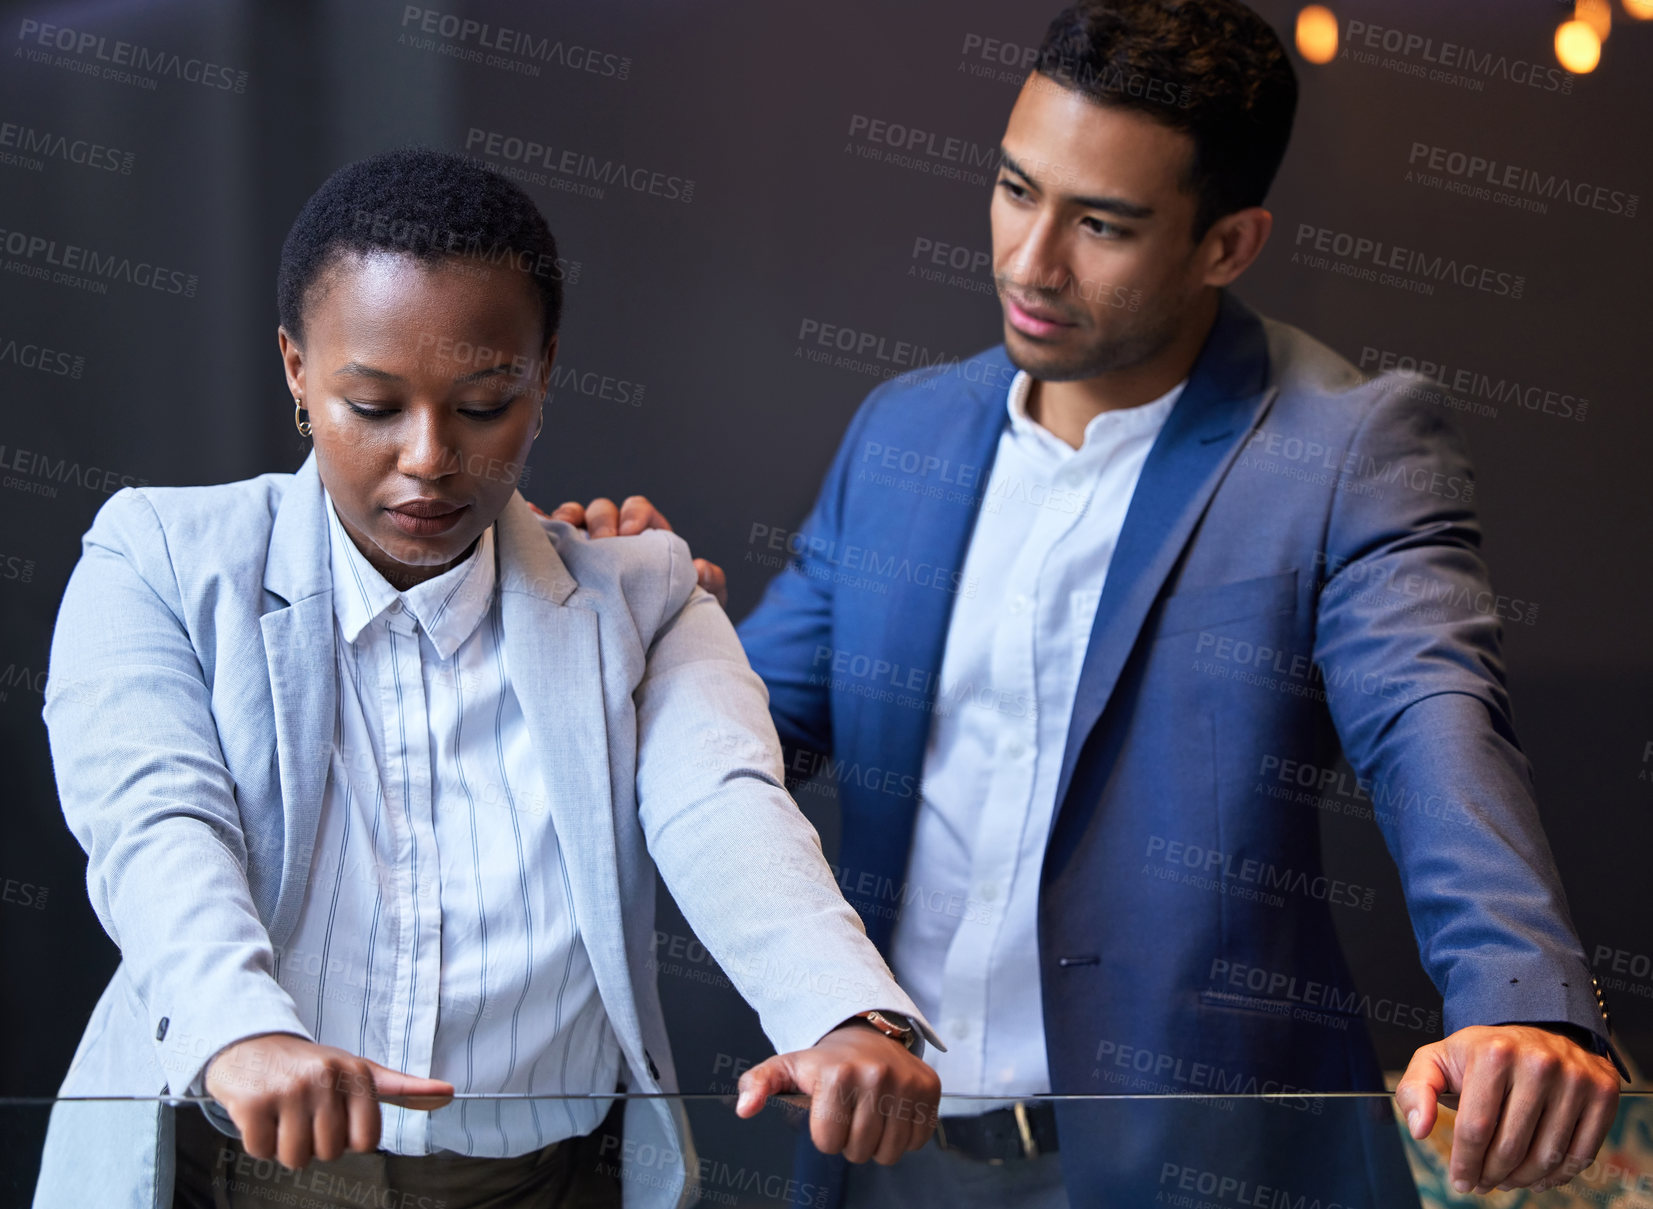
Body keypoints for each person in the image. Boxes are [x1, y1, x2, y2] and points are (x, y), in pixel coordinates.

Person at [548, 2, 1626, 1206]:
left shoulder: (1343, 447)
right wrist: (621, 629)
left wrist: (1525, 1005)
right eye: (1016, 190)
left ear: (1227, 244)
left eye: (1100, 225)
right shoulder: (904, 432)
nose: (1028, 260)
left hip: (1207, 1177)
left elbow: (1436, 723)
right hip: (889, 1168)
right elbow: (746, 737)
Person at [32, 148, 943, 1209]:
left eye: (483, 404)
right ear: (295, 369)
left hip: (541, 1187)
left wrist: (841, 1013)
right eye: (373, 405)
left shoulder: (641, 593)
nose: (429, 458)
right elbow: (156, 823)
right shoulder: (159, 558)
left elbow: (725, 806)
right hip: (231, 1176)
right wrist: (242, 1030)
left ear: (544, 375)